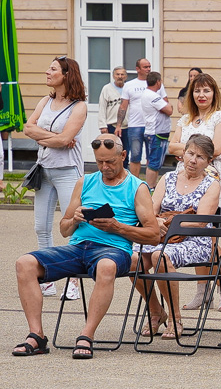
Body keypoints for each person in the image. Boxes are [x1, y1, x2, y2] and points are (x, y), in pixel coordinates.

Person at [11, 134, 159, 358]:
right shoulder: (85, 181)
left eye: (110, 162)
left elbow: (153, 235)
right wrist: (75, 220)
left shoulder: (137, 188)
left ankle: (86, 335)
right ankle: (37, 335)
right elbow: (63, 229)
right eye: (100, 162)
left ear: (124, 156)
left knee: (106, 266)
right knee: (25, 263)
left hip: (115, 250)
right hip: (78, 247)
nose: (105, 167)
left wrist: (117, 227)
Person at [132, 135, 221, 340]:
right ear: (182, 154)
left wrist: (169, 223)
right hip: (163, 237)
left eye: (200, 157)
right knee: (131, 259)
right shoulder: (168, 178)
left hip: (196, 239)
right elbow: (151, 211)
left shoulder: (212, 184)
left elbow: (200, 222)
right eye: (190, 153)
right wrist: (157, 222)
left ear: (208, 162)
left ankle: (175, 317)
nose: (193, 160)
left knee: (159, 257)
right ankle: (156, 311)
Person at [167, 73, 221, 309]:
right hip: (184, 180)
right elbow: (170, 146)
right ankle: (202, 292)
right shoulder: (185, 119)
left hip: (212, 178)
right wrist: (195, 150)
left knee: (212, 241)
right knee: (193, 236)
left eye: (206, 90)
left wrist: (186, 149)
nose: (201, 95)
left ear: (214, 93)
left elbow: (216, 149)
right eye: (197, 91)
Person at [25, 56, 88, 300]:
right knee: (41, 226)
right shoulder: (45, 100)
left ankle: (73, 281)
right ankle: (47, 278)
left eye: (52, 69)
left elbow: (65, 141)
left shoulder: (79, 106)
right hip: (44, 169)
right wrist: (54, 136)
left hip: (67, 171)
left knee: (73, 226)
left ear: (66, 74)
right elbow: (27, 128)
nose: (47, 72)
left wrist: (45, 137)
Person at [117, 58, 166, 178]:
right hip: (135, 125)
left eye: (149, 66)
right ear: (137, 69)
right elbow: (123, 106)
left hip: (153, 126)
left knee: (152, 156)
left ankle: (150, 185)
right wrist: (118, 125)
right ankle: (135, 183)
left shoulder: (157, 84)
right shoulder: (129, 85)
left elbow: (165, 103)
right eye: (145, 67)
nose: (148, 69)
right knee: (135, 155)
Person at [140, 72, 173, 190]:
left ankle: (151, 186)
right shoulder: (153, 96)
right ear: (158, 82)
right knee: (154, 162)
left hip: (153, 132)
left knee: (153, 161)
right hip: (156, 133)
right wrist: (168, 105)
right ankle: (150, 187)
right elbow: (169, 110)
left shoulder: (147, 94)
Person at [97, 66, 130, 168]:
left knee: (125, 152)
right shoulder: (107, 89)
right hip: (111, 125)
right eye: (117, 74)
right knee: (111, 151)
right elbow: (102, 107)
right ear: (113, 76)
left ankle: (124, 172)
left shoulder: (128, 88)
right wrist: (103, 125)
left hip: (127, 126)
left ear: (126, 76)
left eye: (122, 74)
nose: (120, 77)